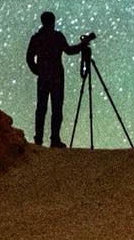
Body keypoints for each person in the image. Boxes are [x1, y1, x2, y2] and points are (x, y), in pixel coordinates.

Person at [25, 11, 90, 147]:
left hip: (44, 78)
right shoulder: (57, 37)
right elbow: (69, 50)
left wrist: (38, 70)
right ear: (53, 22)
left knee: (41, 108)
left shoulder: (37, 38)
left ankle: (39, 139)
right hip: (57, 78)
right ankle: (55, 139)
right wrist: (82, 45)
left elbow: (29, 58)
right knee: (56, 108)